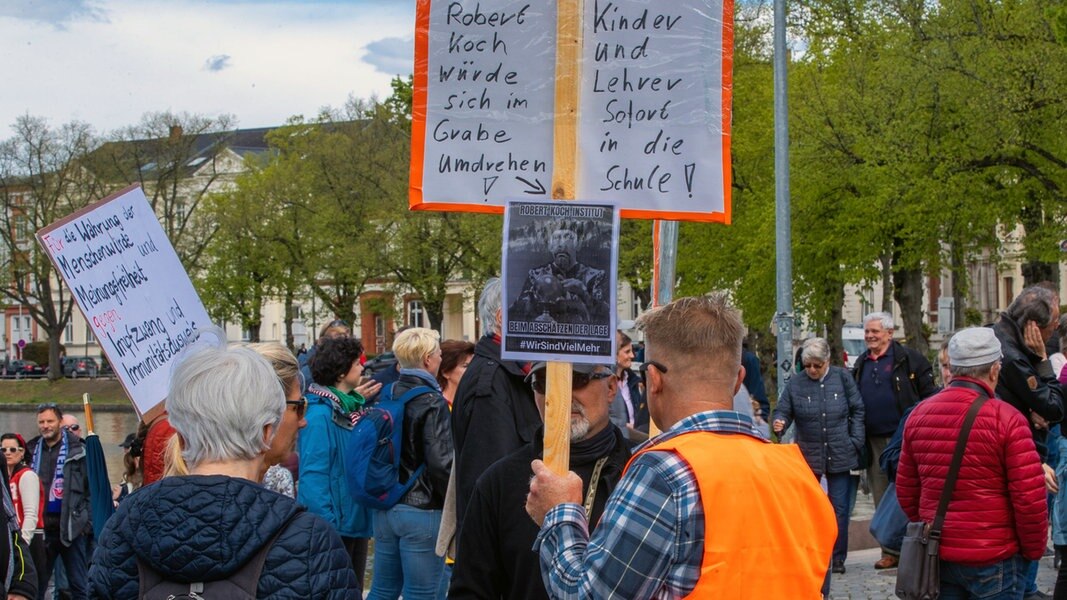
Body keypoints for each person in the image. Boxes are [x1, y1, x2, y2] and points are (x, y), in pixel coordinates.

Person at [525, 294, 837, 597]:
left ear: (653, 379)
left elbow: (589, 595)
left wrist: (560, 514)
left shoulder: (664, 472)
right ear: (739, 379)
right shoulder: (799, 473)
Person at [88, 340, 358, 598]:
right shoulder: (311, 542)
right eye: (299, 409)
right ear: (266, 434)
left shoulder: (122, 528)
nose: (303, 422)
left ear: (181, 439)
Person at [449, 362, 631, 600]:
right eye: (544, 382)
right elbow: (470, 590)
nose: (560, 394)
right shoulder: (501, 480)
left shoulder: (642, 474)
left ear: (611, 388)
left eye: (577, 379)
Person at [897, 327, 1047, 598]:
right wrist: (1032, 551)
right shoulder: (1007, 419)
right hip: (995, 554)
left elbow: (906, 490)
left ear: (952, 368)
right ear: (993, 371)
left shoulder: (918, 415)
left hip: (940, 552)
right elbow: (1029, 499)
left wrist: (931, 525)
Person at [366, 328, 453, 600]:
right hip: (422, 509)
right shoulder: (431, 400)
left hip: (386, 505)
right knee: (422, 593)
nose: (440, 358)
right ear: (428, 359)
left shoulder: (388, 393)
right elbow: (441, 463)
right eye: (439, 354)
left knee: (382, 589)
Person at [452, 278, 540, 539]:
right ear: (503, 317)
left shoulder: (511, 373)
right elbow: (493, 479)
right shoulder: (491, 384)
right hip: (504, 544)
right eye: (532, 311)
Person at [993, 286, 1065, 600]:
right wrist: (1042, 361)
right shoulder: (1014, 356)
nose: (1056, 330)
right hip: (1022, 452)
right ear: (1034, 327)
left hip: (1024, 446)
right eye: (1054, 324)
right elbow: (1054, 406)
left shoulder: (1004, 339)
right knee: (1029, 523)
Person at [852, 311, 939, 569]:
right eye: (867, 332)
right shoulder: (861, 363)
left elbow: (929, 395)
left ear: (889, 333)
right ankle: (889, 550)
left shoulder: (909, 360)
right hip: (875, 440)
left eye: (875, 331)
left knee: (909, 492)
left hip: (906, 438)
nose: (870, 336)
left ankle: (915, 547)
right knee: (881, 494)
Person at [773, 337, 864, 580]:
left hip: (839, 450)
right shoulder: (796, 384)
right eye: (808, 365)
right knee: (809, 508)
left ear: (827, 362)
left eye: (817, 365)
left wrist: (855, 440)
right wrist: (779, 423)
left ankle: (837, 557)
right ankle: (812, 553)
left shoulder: (842, 378)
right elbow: (784, 410)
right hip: (809, 454)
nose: (812, 370)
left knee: (840, 508)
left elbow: (857, 409)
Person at [299, 335, 380, 597]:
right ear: (342, 371)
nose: (362, 367)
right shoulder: (321, 415)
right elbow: (313, 478)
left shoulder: (349, 408)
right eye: (358, 363)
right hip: (337, 528)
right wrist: (327, 530)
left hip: (354, 520)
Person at [28, 403, 91, 600]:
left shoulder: (79, 450)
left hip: (71, 527)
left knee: (79, 584)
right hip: (42, 528)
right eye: (42, 422)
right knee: (38, 584)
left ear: (60, 422)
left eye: (50, 421)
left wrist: (85, 523)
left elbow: (91, 489)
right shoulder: (31, 450)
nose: (46, 426)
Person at [508, 228, 610, 325]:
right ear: (550, 247)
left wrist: (584, 293)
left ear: (578, 245)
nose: (561, 244)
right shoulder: (536, 275)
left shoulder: (595, 276)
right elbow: (517, 313)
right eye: (556, 238)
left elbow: (605, 317)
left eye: (567, 237)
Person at [2, 433, 44, 598]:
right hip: (12, 541)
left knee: (32, 588)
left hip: (29, 539)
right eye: (3, 449)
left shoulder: (27, 475)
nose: (8, 453)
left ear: (21, 452)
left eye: (13, 449)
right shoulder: (6, 477)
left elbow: (30, 514)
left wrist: (22, 543)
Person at [608, 330, 648, 438]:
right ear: (614, 355)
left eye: (632, 351)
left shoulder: (633, 381)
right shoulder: (604, 383)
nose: (632, 355)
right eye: (627, 351)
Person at [436, 339, 475, 407]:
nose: (472, 370)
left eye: (473, 365)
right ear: (445, 372)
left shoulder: (474, 402)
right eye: (465, 366)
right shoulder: (436, 406)